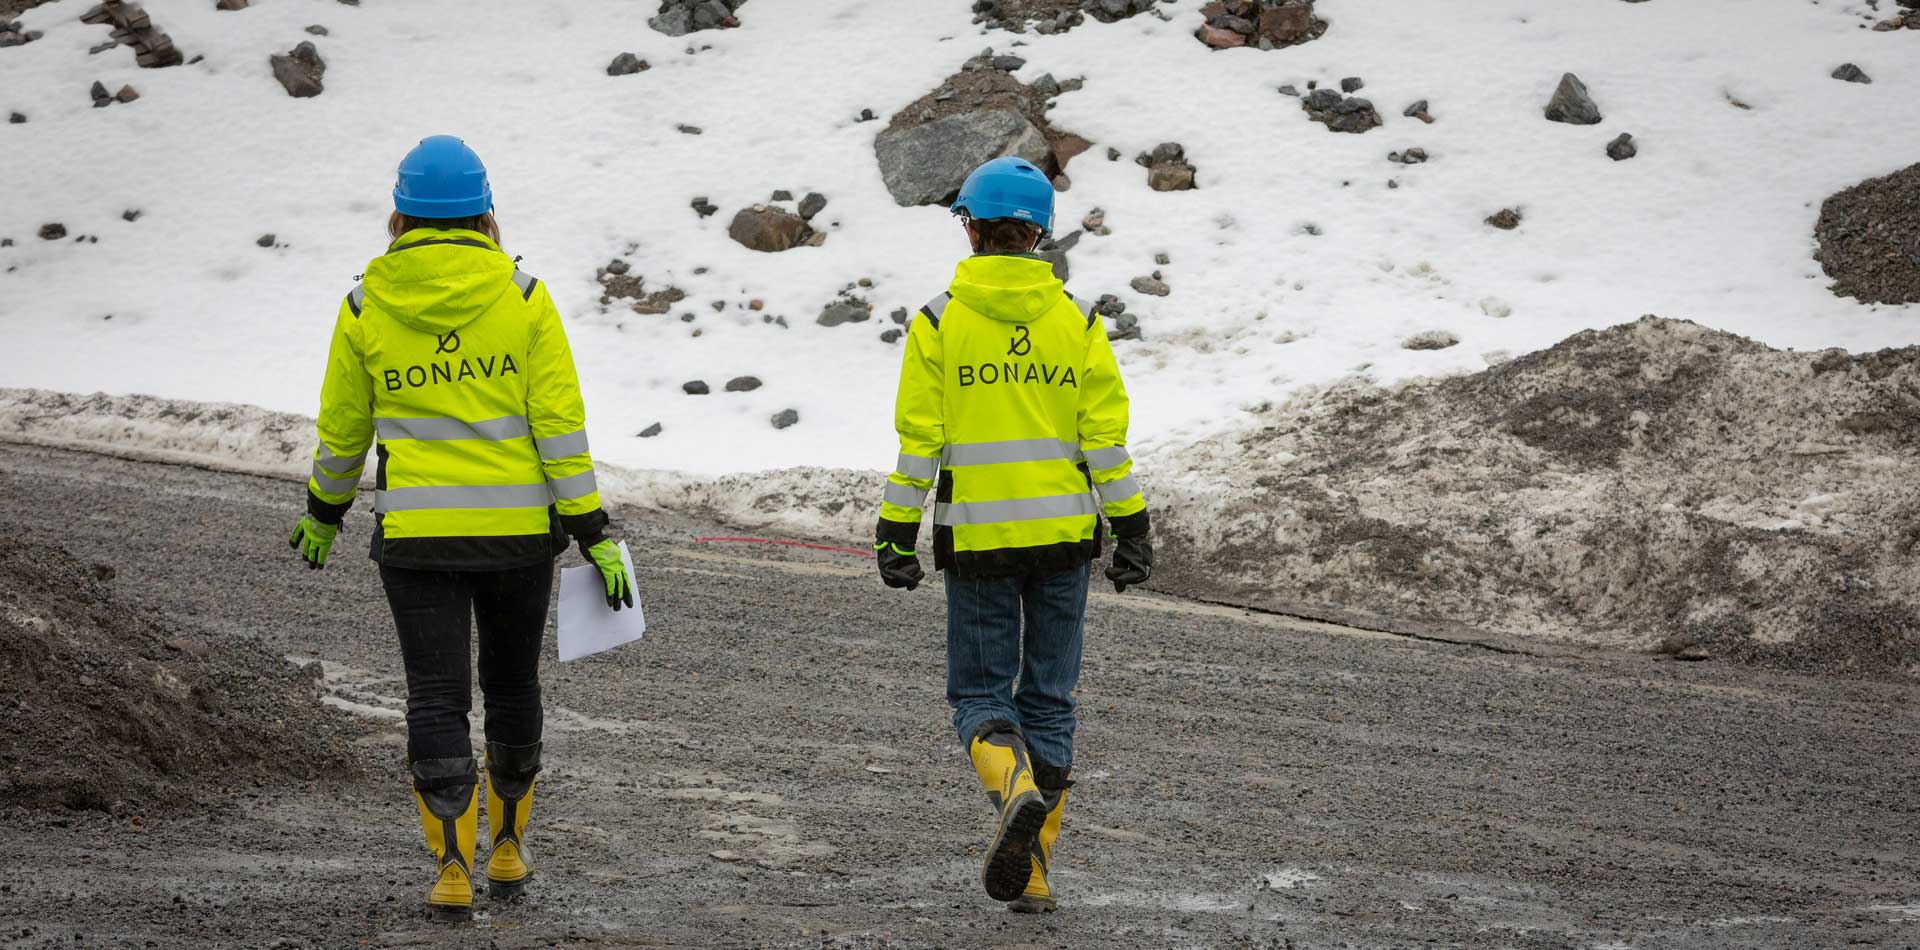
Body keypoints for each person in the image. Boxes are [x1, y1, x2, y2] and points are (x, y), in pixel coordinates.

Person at [286, 135, 635, 921]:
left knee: (434, 698)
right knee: (513, 686)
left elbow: (343, 432)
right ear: (485, 212)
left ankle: (450, 870)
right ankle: (508, 852)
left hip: (416, 542)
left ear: (399, 214)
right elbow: (559, 427)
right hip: (518, 540)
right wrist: (591, 528)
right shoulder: (523, 298)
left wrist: (323, 511)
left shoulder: (364, 307)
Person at [873, 156, 1154, 913]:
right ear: (1042, 236)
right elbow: (1105, 442)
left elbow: (918, 445)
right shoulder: (1081, 321)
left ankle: (1014, 787)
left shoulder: (937, 321)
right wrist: (1132, 527)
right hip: (1066, 542)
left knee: (979, 695)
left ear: (970, 228)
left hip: (979, 543)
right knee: (1051, 700)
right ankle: (1032, 873)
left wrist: (894, 533)